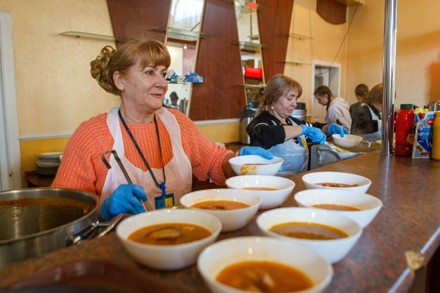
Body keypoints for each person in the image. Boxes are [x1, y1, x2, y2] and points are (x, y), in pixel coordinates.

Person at [51, 39, 271, 220]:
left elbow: (215, 161)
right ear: (120, 80)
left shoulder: (178, 123)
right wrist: (103, 207)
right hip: (118, 252)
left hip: (181, 240)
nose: (163, 83)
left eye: (164, 74)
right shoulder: (91, 135)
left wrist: (239, 162)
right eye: (149, 72)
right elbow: (62, 208)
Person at [246, 74, 348, 174]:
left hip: (298, 180)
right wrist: (302, 130)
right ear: (273, 99)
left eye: (296, 99)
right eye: (290, 98)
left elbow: (314, 127)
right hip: (274, 184)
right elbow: (264, 134)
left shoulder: (292, 122)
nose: (294, 104)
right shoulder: (261, 122)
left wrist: (329, 128)